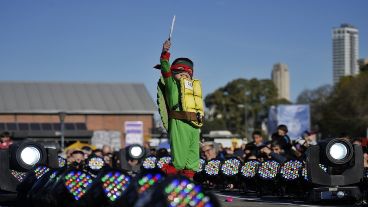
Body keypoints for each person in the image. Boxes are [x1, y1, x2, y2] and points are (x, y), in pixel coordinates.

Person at [155, 39, 204, 179]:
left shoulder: (193, 88)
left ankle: (188, 187)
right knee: (179, 162)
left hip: (194, 126)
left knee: (192, 163)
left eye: (187, 73)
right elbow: (165, 68)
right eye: (179, 71)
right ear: (173, 72)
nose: (183, 74)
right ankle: (158, 179)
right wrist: (165, 52)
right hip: (179, 123)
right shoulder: (171, 84)